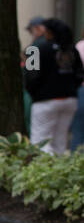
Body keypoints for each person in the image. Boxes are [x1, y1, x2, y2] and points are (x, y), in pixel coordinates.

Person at [23, 16, 83, 154]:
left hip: (45, 101)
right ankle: (58, 171)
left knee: (40, 142)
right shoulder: (71, 49)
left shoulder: (36, 48)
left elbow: (30, 75)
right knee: (60, 142)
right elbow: (79, 74)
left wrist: (35, 93)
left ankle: (43, 172)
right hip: (70, 100)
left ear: (48, 32)